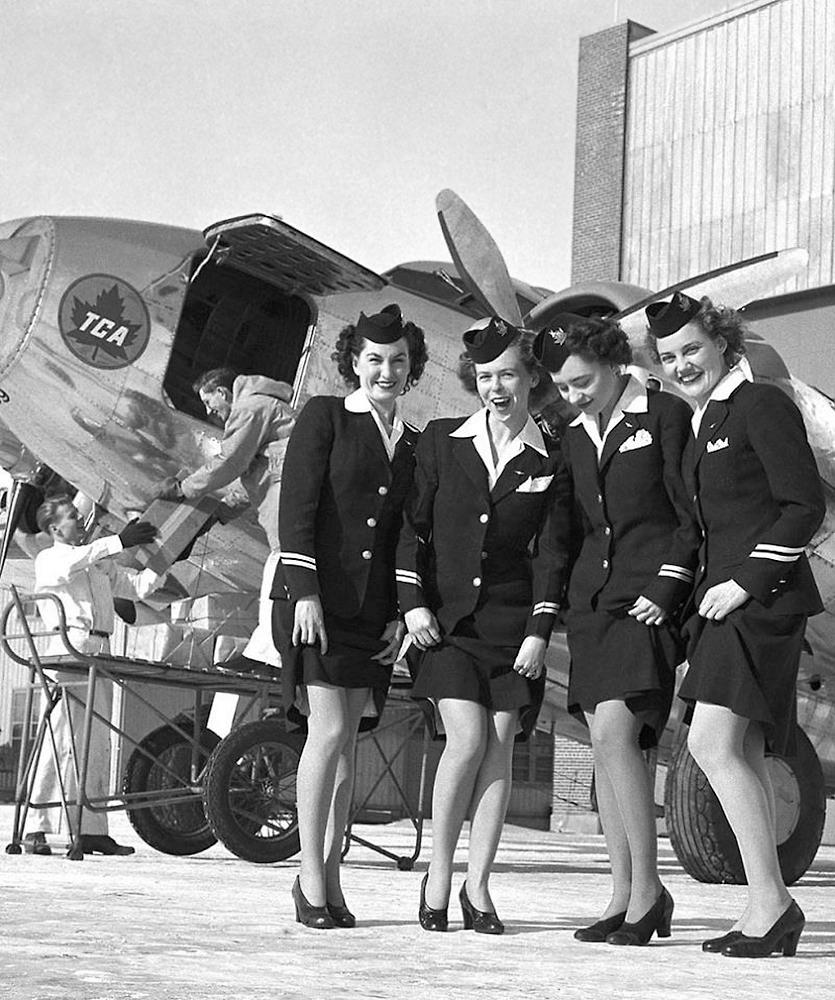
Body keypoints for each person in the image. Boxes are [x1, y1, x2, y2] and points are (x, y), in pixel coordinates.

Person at [649, 291, 825, 958]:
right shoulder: (704, 421)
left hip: (760, 603)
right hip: (721, 607)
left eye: (691, 348)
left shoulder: (760, 404)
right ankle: (766, 906)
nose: (682, 363)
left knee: (710, 744)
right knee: (740, 750)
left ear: (721, 342)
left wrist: (744, 581)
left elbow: (801, 506)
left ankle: (772, 903)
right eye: (669, 357)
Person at [397, 317, 571, 935]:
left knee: (499, 747)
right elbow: (410, 528)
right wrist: (412, 601)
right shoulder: (442, 441)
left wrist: (539, 631)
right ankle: (439, 876)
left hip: (511, 625)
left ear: (531, 379)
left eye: (506, 376)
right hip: (443, 624)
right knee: (467, 740)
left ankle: (479, 886)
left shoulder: (550, 454)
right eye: (484, 377)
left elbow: (552, 553)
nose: (494, 388)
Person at [535, 314, 699, 946]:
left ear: (611, 362)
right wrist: (553, 610)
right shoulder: (575, 435)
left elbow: (690, 517)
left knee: (616, 732)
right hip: (595, 607)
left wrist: (668, 588)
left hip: (647, 601)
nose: (573, 395)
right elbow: (564, 533)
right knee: (605, 748)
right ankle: (624, 892)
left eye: (581, 382)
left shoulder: (664, 416)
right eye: (563, 387)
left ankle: (650, 891)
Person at [270, 303, 427, 929]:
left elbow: (404, 538)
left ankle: (331, 880)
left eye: (397, 362)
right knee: (328, 733)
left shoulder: (413, 443)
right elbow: (297, 508)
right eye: (373, 360)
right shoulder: (326, 417)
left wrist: (399, 614)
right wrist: (304, 589)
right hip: (321, 605)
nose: (385, 371)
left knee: (348, 749)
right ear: (353, 364)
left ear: (411, 368)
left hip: (371, 615)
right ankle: (309, 877)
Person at [25, 496, 160, 856]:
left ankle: (91, 827)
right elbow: (74, 562)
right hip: (68, 647)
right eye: (72, 517)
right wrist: (119, 541)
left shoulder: (95, 562)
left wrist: (169, 555)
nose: (80, 520)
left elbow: (137, 588)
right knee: (60, 737)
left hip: (97, 649)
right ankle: (37, 824)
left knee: (95, 739)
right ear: (55, 528)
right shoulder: (51, 558)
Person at [157, 368, 296, 669]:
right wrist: (219, 514)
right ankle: (270, 651)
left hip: (288, 503)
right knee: (281, 572)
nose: (209, 411)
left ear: (223, 392)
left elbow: (230, 463)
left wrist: (183, 489)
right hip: (281, 499)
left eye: (210, 402)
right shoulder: (262, 412)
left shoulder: (250, 408)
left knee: (281, 571)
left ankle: (270, 654)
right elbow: (255, 477)